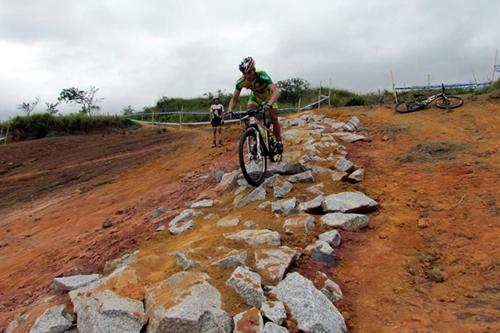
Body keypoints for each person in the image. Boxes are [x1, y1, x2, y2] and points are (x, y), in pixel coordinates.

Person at [227, 56, 283, 153]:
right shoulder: (241, 81)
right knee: (250, 114)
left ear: (254, 69)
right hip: (255, 97)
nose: (247, 76)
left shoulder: (262, 75)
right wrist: (230, 110)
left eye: (249, 73)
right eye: (244, 73)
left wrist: (269, 104)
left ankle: (278, 141)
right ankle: (256, 138)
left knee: (273, 117)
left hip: (268, 96)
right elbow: (234, 98)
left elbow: (276, 92)